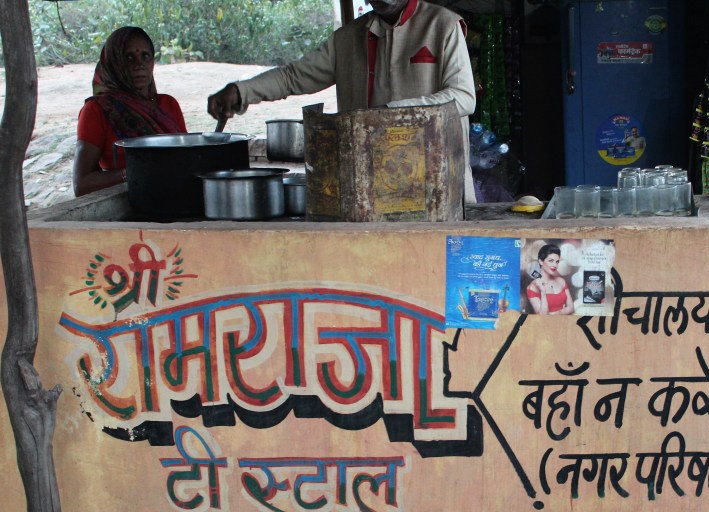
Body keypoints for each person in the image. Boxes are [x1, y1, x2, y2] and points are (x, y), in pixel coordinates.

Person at [206, 0, 476, 201]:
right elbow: (292, 77)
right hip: (371, 188)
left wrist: (391, 113)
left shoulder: (443, 25)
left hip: (436, 185)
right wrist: (241, 91)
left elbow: (464, 97)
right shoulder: (348, 38)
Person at [73, 27, 187, 197]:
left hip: (178, 197)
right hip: (128, 204)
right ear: (113, 62)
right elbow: (81, 184)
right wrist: (134, 172)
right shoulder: (97, 110)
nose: (139, 65)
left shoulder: (168, 104)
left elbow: (187, 157)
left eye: (145, 56)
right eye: (128, 57)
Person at [527, 243, 574, 315]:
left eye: (557, 262)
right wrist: (543, 291)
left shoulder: (561, 281)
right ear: (541, 261)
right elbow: (542, 316)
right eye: (551, 261)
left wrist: (553, 314)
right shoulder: (532, 287)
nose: (555, 265)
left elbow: (571, 308)